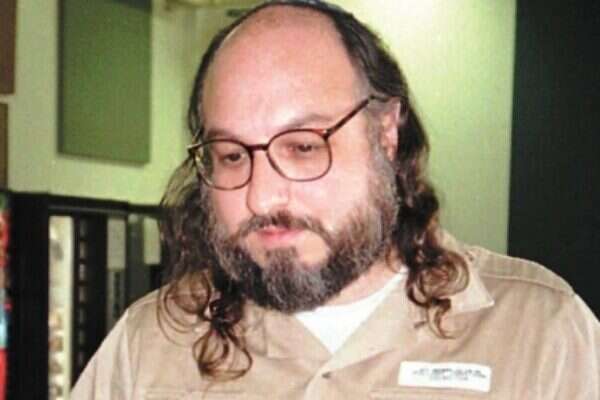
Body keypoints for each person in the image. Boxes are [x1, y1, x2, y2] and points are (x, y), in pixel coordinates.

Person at [72, 1, 600, 398]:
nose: (261, 195)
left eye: (303, 147)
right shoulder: (149, 344)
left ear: (385, 133)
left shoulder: (539, 335)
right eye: (232, 155)